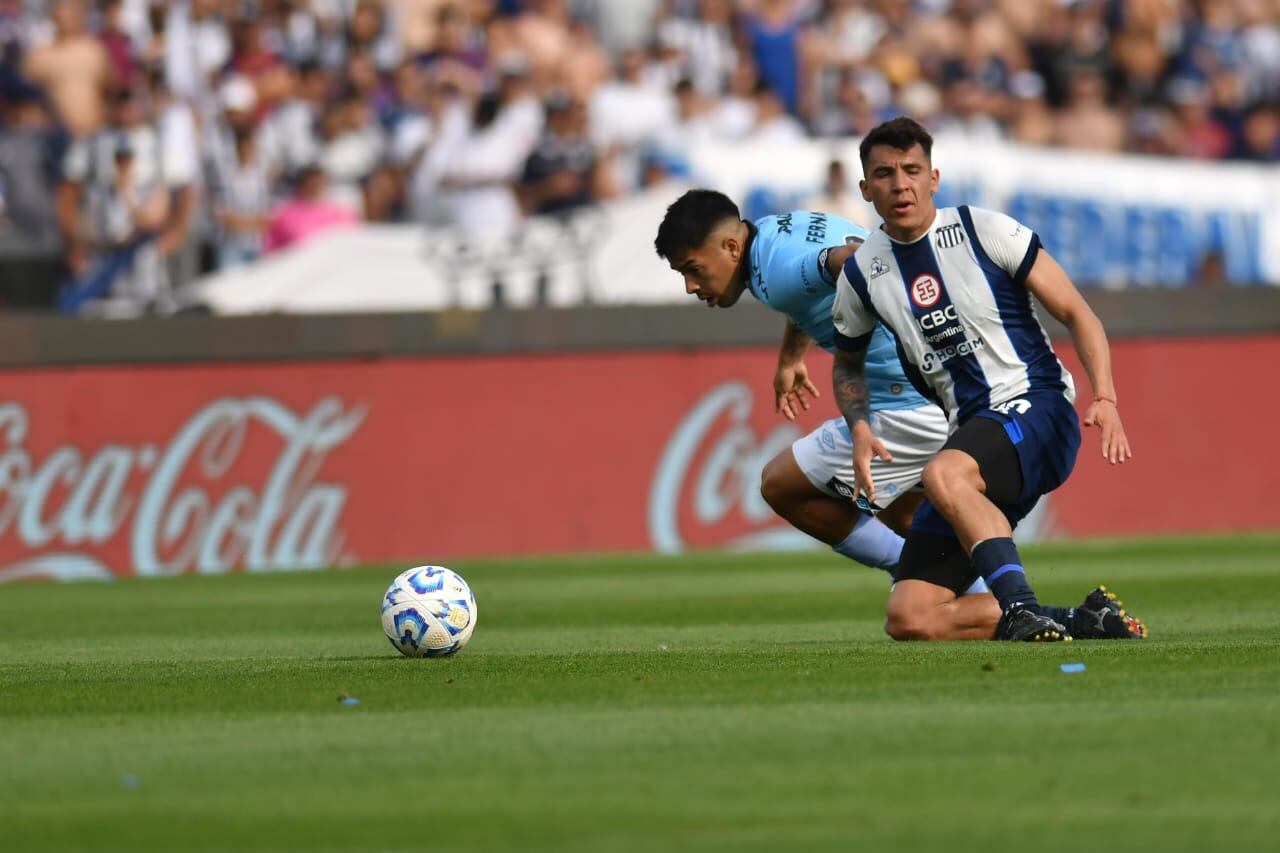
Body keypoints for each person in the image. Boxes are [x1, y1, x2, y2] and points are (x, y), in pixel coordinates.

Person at [830, 116, 1146, 642]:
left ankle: (1019, 607)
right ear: (866, 189)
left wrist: (1105, 395)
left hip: (1038, 407)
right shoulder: (863, 273)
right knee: (911, 617)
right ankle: (1080, 619)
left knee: (942, 473)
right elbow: (846, 361)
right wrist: (860, 426)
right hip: (973, 435)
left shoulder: (983, 229)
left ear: (934, 178)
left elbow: (1076, 310)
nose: (900, 184)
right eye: (884, 174)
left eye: (912, 170)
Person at [654, 188, 995, 641]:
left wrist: (921, 316)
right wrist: (792, 358)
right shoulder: (776, 232)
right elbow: (810, 289)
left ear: (730, 247)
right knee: (905, 516)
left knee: (780, 485)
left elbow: (849, 260)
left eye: (693, 270)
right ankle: (990, 597)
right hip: (935, 396)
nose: (691, 287)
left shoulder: (776, 268)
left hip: (903, 406)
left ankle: (958, 587)